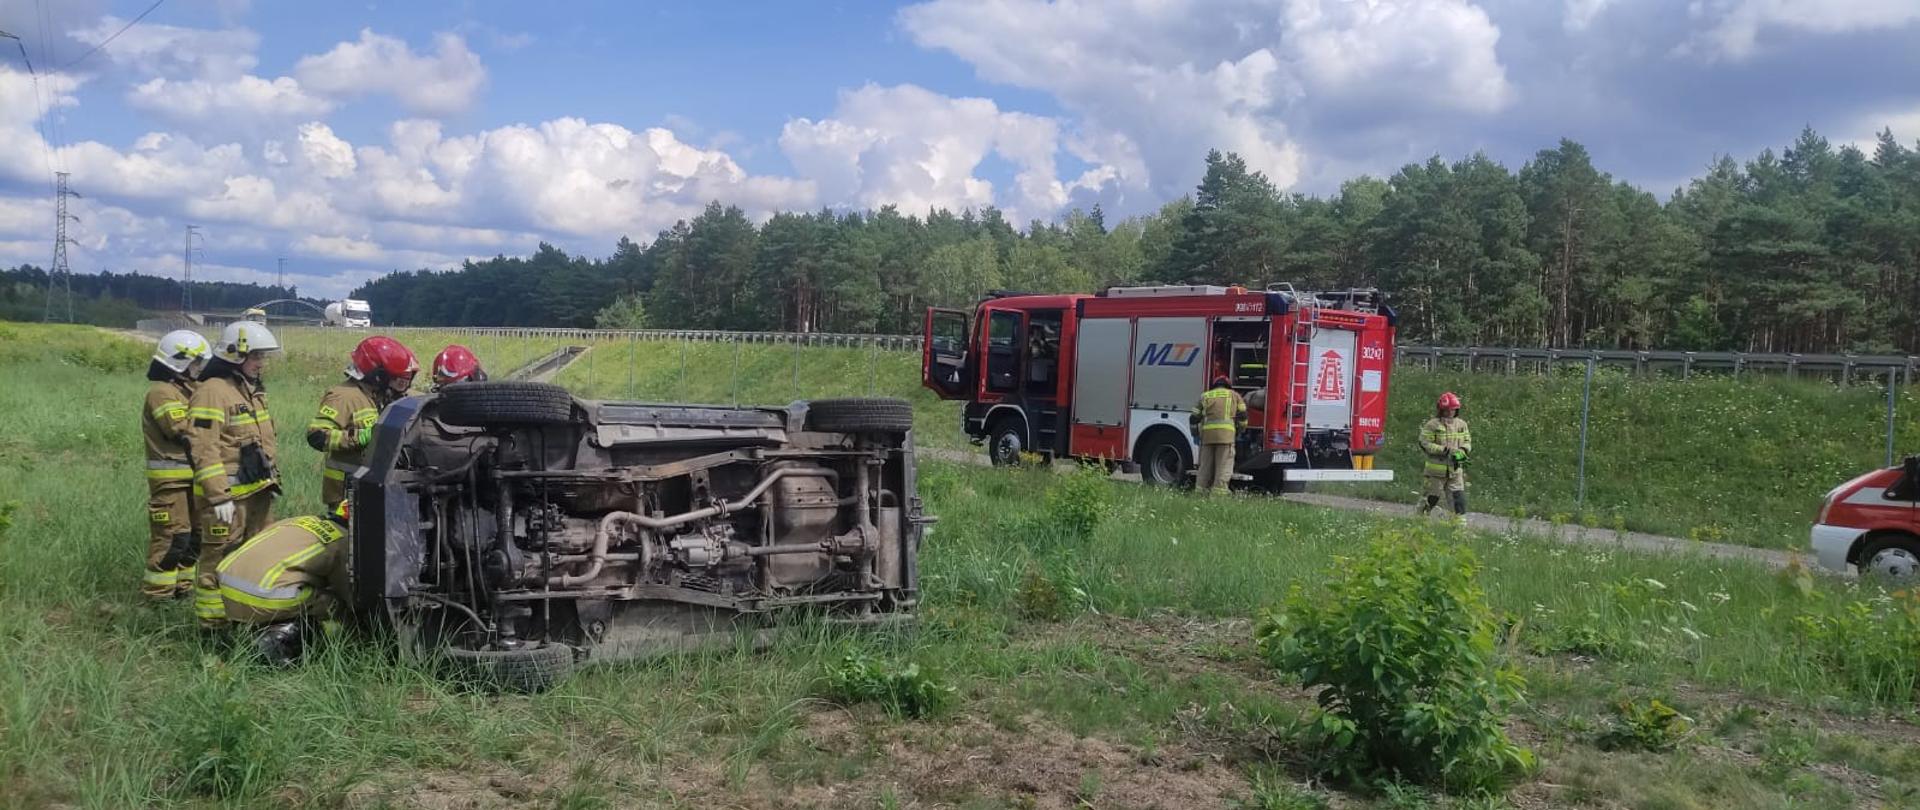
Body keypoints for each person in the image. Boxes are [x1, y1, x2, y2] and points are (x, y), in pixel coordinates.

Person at [187, 320, 283, 627]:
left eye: (262, 357)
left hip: (257, 493)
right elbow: (204, 447)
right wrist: (217, 496)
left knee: (255, 558)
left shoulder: (249, 392)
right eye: (255, 356)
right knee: (217, 562)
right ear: (234, 355)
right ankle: (213, 631)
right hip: (227, 501)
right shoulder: (213, 392)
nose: (261, 363)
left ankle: (247, 621)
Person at [217, 500, 350, 665]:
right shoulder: (344, 541)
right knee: (333, 601)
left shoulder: (302, 520)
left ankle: (258, 629)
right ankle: (277, 644)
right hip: (263, 595)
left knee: (293, 584)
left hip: (226, 585)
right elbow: (350, 594)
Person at [140, 330, 210, 600]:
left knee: (195, 536)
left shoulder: (189, 390)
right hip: (170, 481)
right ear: (179, 362)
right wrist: (214, 424)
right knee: (173, 537)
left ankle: (182, 590)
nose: (199, 369)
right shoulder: (162, 393)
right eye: (196, 363)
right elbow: (180, 428)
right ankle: (157, 597)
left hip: (195, 478)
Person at [308, 337, 417, 508]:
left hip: (374, 488)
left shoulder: (379, 395)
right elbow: (317, 436)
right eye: (390, 376)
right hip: (345, 493)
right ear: (377, 374)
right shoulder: (343, 396)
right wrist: (361, 437)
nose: (393, 381)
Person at [1418, 391, 1473, 517]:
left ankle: (1459, 530)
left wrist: (1463, 451)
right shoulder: (1432, 425)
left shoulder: (1461, 424)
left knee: (1459, 502)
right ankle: (1419, 521)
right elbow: (1424, 443)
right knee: (1430, 500)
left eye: (1453, 410)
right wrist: (1443, 450)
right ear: (1441, 410)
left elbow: (1467, 440)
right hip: (1435, 472)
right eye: (1446, 410)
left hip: (1455, 471)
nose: (1450, 413)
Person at [1190, 376, 1247, 495]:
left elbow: (1194, 417)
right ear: (1228, 385)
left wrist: (1195, 434)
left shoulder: (1206, 396)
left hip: (1207, 438)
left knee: (1205, 468)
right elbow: (1242, 416)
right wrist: (1241, 430)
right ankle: (1218, 496)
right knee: (1223, 467)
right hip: (1226, 438)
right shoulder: (1234, 395)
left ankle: (1200, 493)